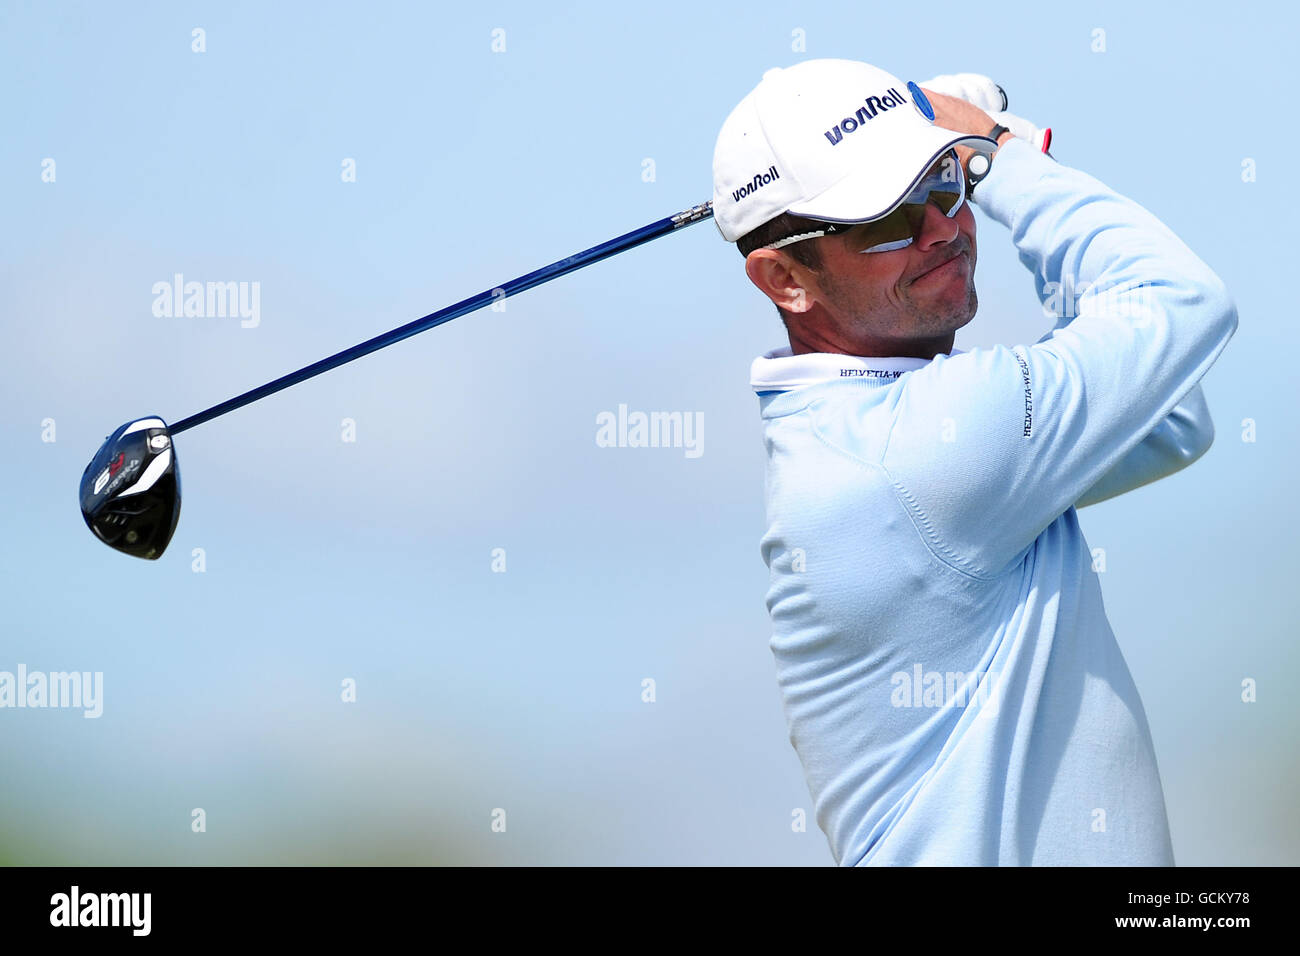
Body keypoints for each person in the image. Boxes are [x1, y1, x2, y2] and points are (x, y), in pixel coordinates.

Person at [711, 59, 1237, 865]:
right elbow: (1181, 300)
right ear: (785, 279)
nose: (942, 228)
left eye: (942, 185)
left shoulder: (876, 431)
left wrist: (1001, 159)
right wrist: (1000, 156)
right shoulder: (920, 445)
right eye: (886, 223)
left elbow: (1169, 416)